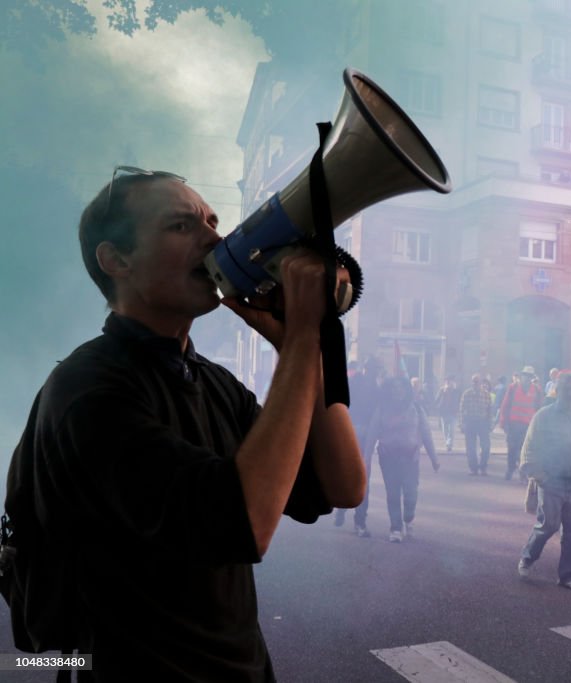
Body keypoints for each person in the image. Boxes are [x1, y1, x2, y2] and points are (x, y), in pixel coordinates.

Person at [5, 169, 366, 679]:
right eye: (181, 226)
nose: (215, 239)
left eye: (213, 221)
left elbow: (343, 484)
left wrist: (294, 343)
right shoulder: (88, 391)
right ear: (116, 260)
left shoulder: (211, 382)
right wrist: (304, 336)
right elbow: (244, 524)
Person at [517, 371, 571, 591]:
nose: (569, 393)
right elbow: (528, 452)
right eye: (564, 389)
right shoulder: (543, 416)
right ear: (557, 391)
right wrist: (541, 477)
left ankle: (568, 575)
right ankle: (527, 557)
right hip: (551, 482)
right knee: (548, 526)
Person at [362, 376, 440, 543]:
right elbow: (372, 434)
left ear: (406, 390)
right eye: (394, 388)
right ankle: (395, 528)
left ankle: (409, 518)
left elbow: (426, 434)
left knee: (411, 493)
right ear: (389, 391)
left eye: (401, 388)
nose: (397, 391)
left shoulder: (417, 409)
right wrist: (366, 457)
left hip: (410, 458)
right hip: (388, 458)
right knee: (393, 493)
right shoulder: (381, 409)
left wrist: (434, 458)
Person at [336, 356, 384, 536]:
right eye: (372, 369)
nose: (373, 372)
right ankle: (352, 516)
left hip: (359, 435)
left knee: (360, 478)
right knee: (358, 477)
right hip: (352, 433)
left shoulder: (372, 388)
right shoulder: (356, 383)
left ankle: (354, 517)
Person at [499, 367, 543, 480]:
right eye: (525, 376)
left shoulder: (537, 390)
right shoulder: (513, 387)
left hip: (528, 425)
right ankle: (510, 468)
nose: (527, 378)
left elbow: (539, 408)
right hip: (513, 424)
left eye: (529, 376)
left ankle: (522, 472)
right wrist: (503, 421)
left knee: (525, 450)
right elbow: (505, 405)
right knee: (512, 449)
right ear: (522, 376)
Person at [459, 374, 493, 475]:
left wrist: (490, 424)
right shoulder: (466, 394)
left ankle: (483, 467)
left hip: (483, 422)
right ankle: (473, 468)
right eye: (473, 381)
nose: (475, 383)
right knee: (470, 447)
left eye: (477, 381)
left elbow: (490, 411)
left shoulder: (487, 395)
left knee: (486, 446)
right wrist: (462, 424)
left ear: (480, 383)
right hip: (470, 422)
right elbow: (461, 410)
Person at [435, 375, 460, 453]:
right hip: (444, 413)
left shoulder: (457, 391)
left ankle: (449, 444)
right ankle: (447, 442)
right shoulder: (442, 391)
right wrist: (443, 394)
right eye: (447, 381)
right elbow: (436, 401)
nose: (449, 383)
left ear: (453, 382)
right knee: (445, 430)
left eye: (450, 381)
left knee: (451, 430)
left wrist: (458, 410)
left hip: (453, 413)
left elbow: (460, 401)